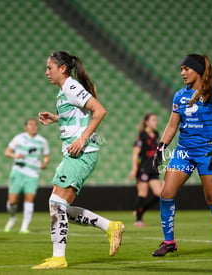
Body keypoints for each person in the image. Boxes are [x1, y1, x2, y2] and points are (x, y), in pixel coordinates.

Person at [32, 51, 125, 269]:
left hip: (81, 154)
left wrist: (82, 139)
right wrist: (56, 118)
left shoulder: (72, 87)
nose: (46, 72)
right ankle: (110, 227)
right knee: (59, 206)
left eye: (49, 68)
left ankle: (59, 257)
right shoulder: (64, 91)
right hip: (74, 154)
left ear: (62, 68)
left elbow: (99, 111)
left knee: (55, 204)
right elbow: (79, 115)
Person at [151, 54, 212, 257]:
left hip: (207, 150)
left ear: (198, 70)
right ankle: (169, 242)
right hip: (184, 151)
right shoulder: (179, 95)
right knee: (166, 192)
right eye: (181, 69)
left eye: (186, 69)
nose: (182, 73)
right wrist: (161, 147)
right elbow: (172, 126)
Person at [3, 118, 50, 234]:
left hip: (33, 173)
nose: (33, 127)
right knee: (12, 201)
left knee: (29, 199)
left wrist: (45, 163)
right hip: (19, 170)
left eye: (35, 125)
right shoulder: (19, 138)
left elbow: (46, 156)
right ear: (26, 127)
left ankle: (24, 227)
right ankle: (12, 217)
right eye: (30, 125)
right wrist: (15, 156)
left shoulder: (42, 141)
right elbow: (7, 152)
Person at [128, 113, 161, 227]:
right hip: (143, 168)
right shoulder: (142, 135)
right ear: (146, 122)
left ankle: (140, 210)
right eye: (153, 120)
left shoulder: (156, 135)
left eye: (156, 120)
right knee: (143, 193)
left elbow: (157, 152)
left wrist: (158, 165)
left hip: (153, 169)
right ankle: (138, 220)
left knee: (159, 193)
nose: (155, 122)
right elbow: (136, 154)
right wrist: (134, 169)